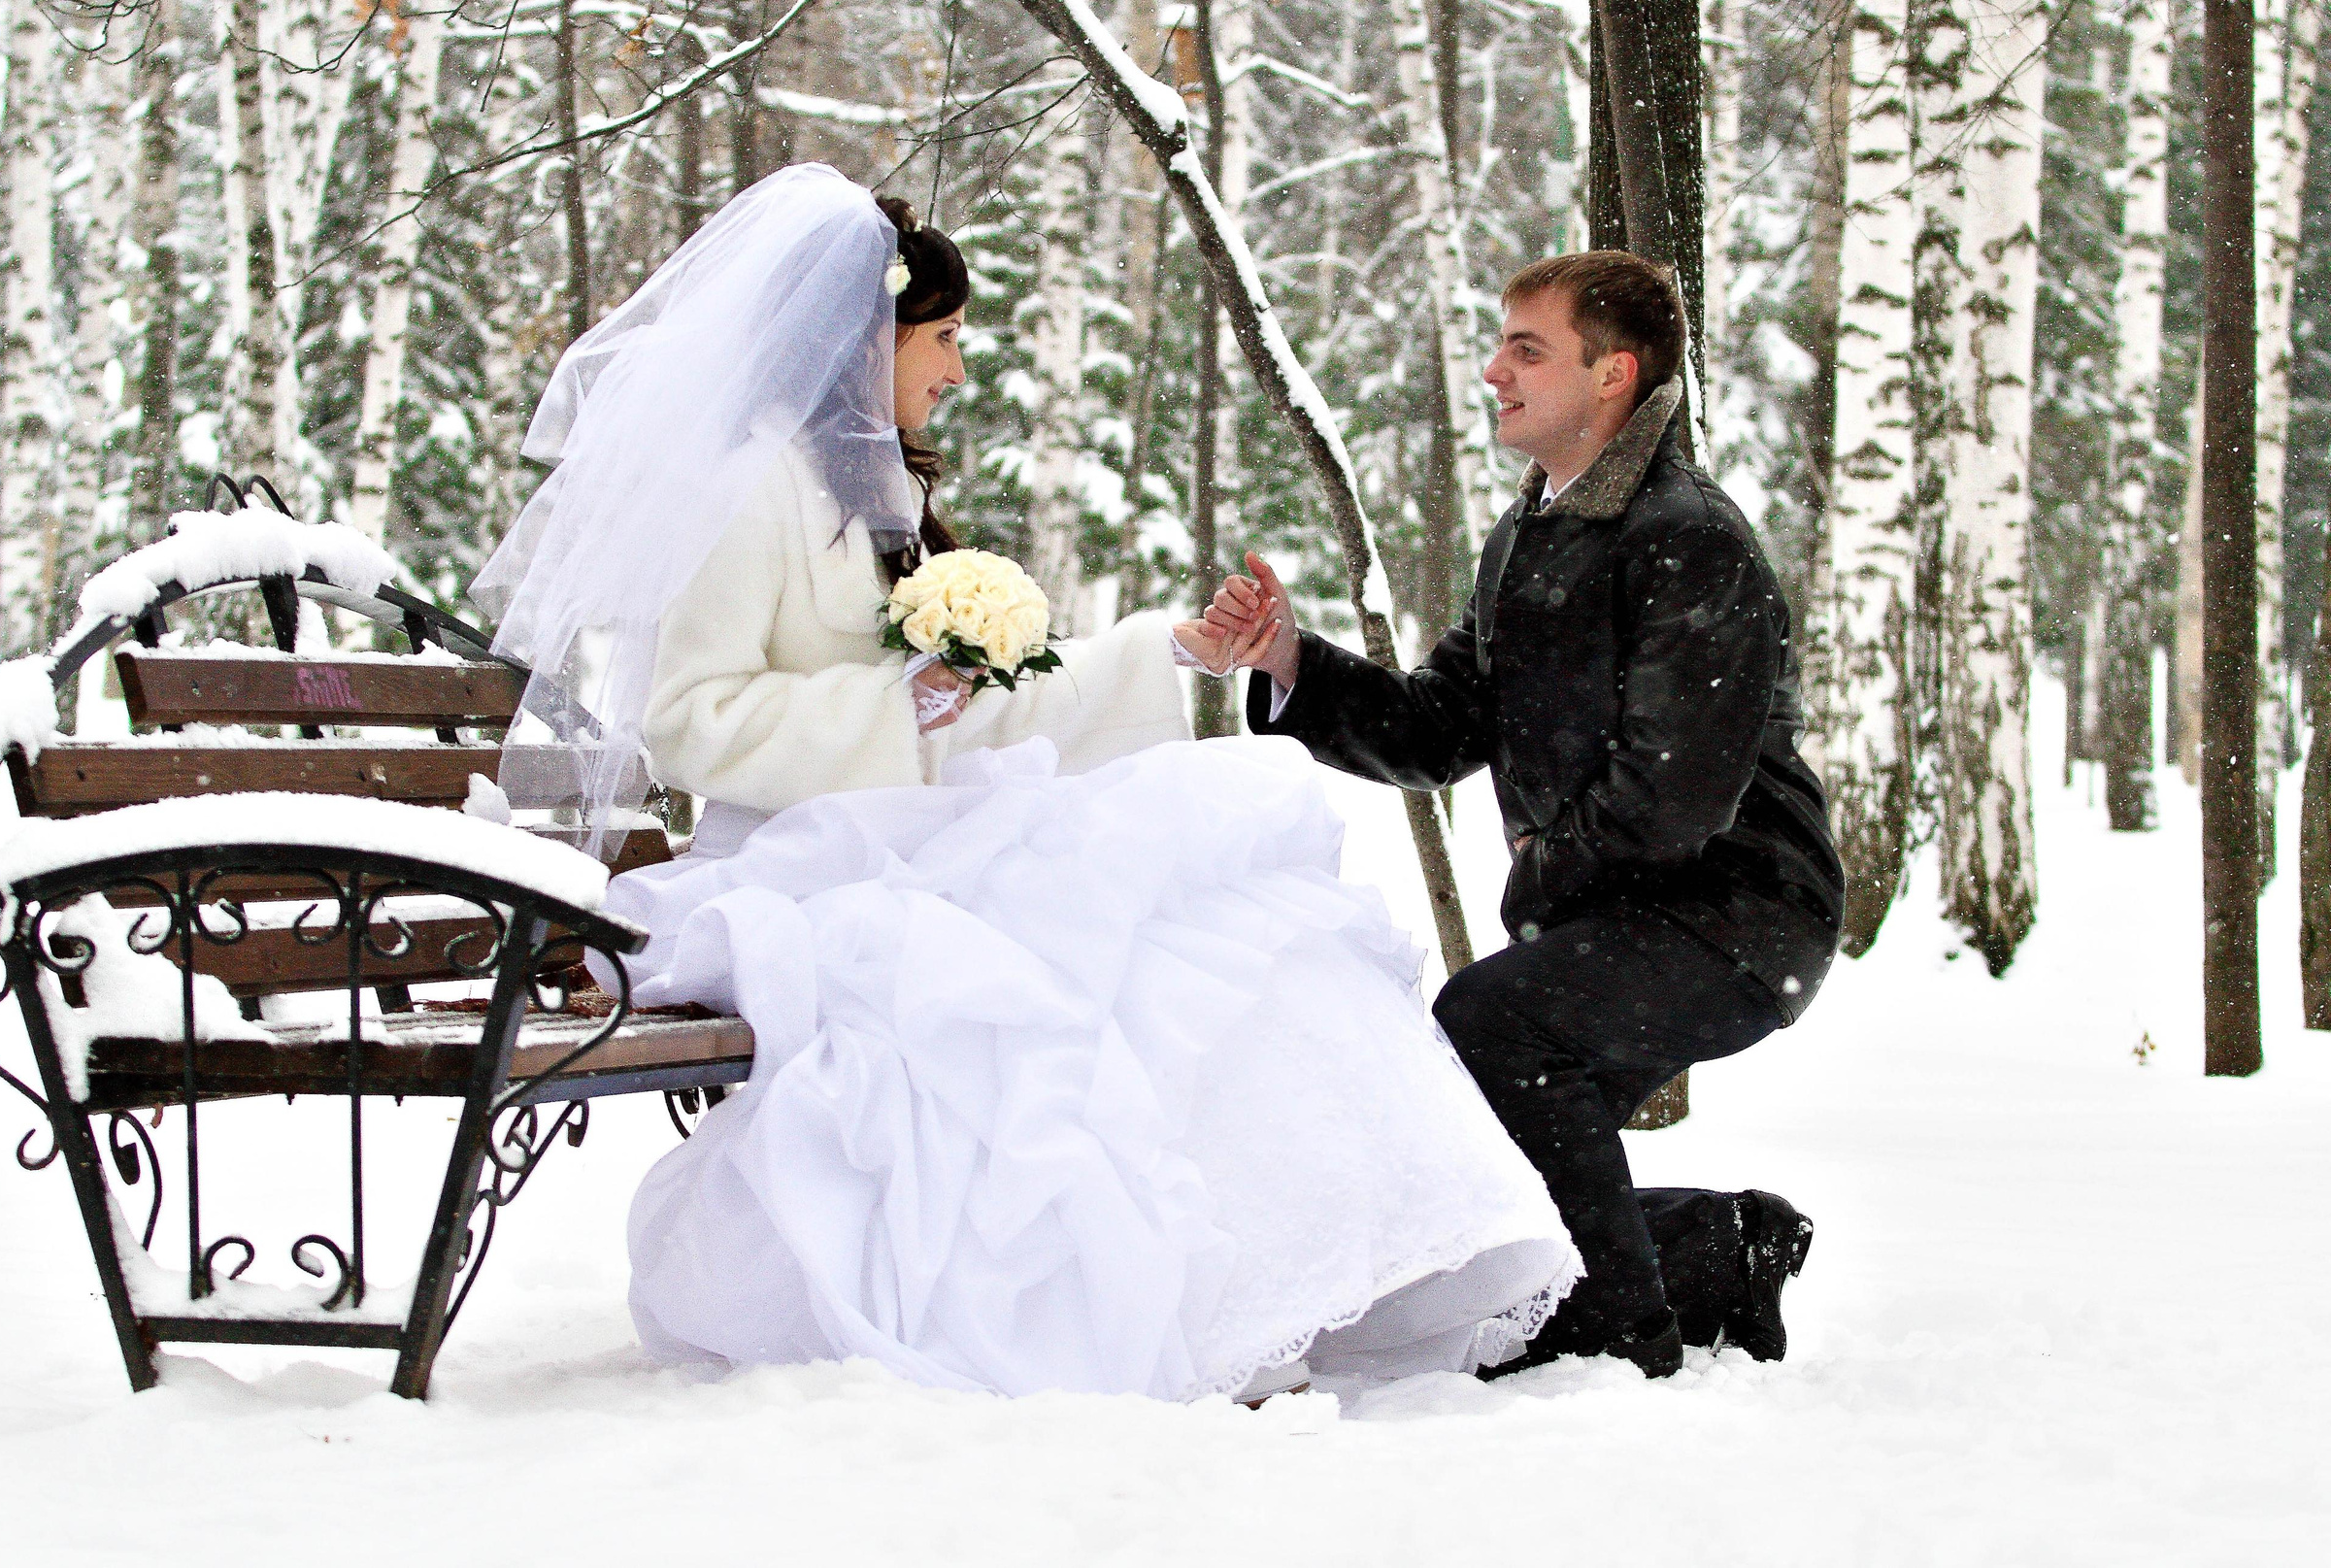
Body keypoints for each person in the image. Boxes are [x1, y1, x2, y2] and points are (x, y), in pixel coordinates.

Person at [470, 163, 1578, 1402]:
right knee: (1049, 972)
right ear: (860, 335)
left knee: (1194, 924)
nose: (952, 368)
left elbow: (961, 712)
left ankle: (1278, 1280)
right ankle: (1110, 1311)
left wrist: (1165, 651)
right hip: (786, 862)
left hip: (892, 835)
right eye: (938, 337)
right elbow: (688, 721)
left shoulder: (865, 485)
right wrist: (893, 706)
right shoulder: (748, 488)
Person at [1200, 251, 1843, 1378]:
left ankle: (1628, 1343)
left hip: (1742, 912)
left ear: (1613, 375)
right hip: (1626, 909)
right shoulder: (1527, 537)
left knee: (1495, 1022)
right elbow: (1439, 729)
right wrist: (1290, 660)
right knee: (1489, 1140)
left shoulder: (1686, 536)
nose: (1493, 369)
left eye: (1526, 349)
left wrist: (1538, 878)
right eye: (1502, 345)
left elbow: (1674, 798)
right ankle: (1717, 1248)